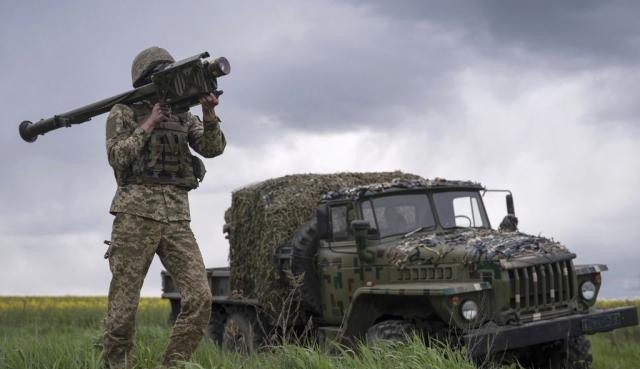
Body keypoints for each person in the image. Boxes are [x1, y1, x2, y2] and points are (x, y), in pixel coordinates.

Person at [101, 46, 227, 369]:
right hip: (135, 217)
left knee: (200, 299)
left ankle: (171, 366)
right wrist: (150, 123)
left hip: (176, 218)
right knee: (122, 310)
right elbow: (118, 157)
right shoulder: (123, 112)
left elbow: (213, 148)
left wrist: (209, 115)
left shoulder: (183, 115)